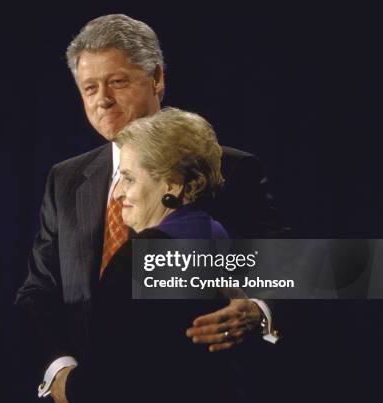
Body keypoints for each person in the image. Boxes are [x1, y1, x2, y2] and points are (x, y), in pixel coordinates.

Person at [16, 14, 282, 402]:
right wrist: (61, 372)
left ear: (156, 77)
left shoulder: (227, 168)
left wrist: (257, 309)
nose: (102, 99)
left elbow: (303, 267)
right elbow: (38, 290)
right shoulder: (65, 179)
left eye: (117, 82)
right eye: (89, 88)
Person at [67, 107, 255, 402]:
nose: (117, 193)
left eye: (129, 179)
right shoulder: (217, 233)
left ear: (172, 184)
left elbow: (109, 381)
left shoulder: (138, 259)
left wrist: (65, 384)